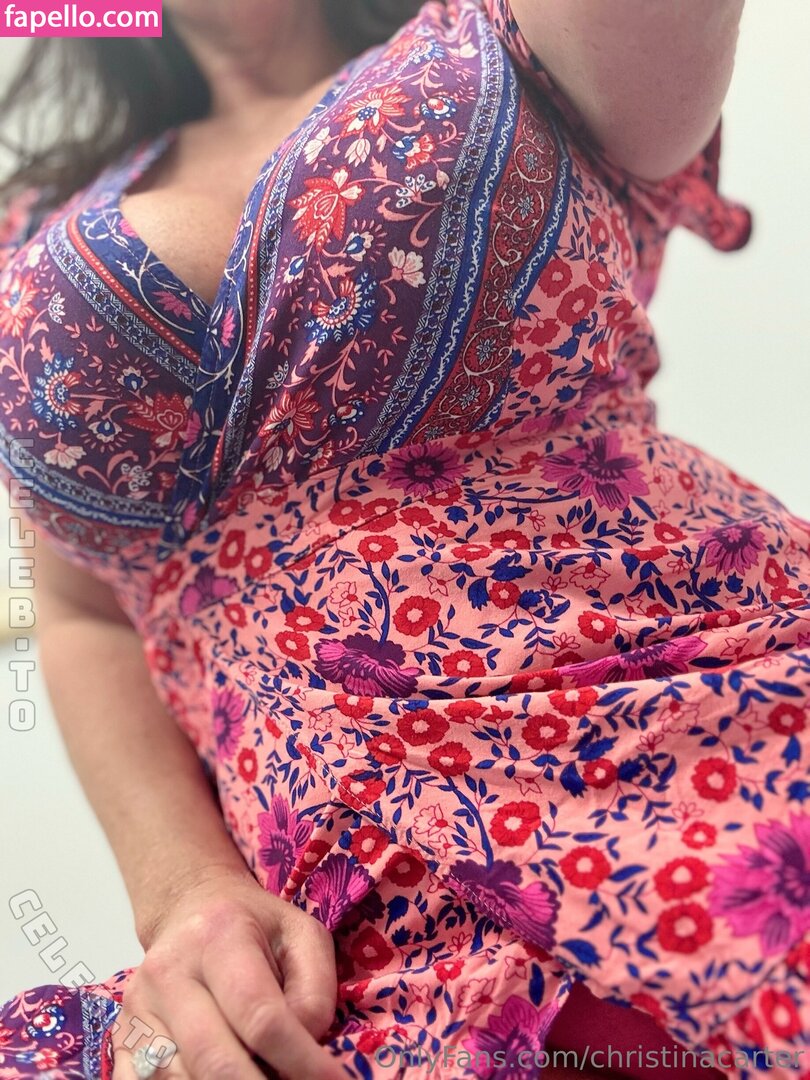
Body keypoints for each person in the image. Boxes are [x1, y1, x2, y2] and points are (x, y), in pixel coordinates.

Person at [0, 0, 807, 1077]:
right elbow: (83, 608)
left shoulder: (501, 36)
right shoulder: (33, 220)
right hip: (342, 941)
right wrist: (185, 891)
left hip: (699, 738)